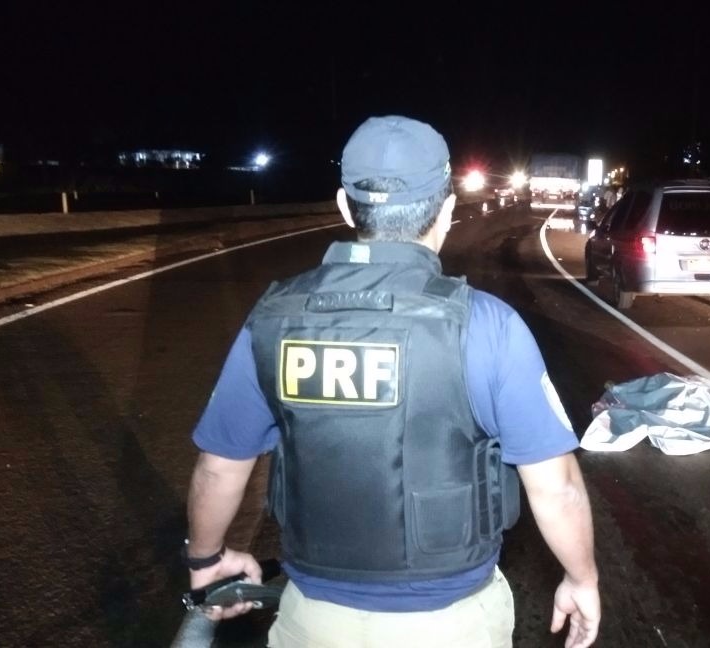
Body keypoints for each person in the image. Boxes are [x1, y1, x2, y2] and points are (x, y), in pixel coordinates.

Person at [183, 115, 600, 648]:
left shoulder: (271, 317)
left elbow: (219, 468)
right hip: (453, 623)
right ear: (448, 210)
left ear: (343, 206)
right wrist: (582, 579)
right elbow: (557, 486)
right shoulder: (488, 325)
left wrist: (206, 559)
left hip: (315, 620)